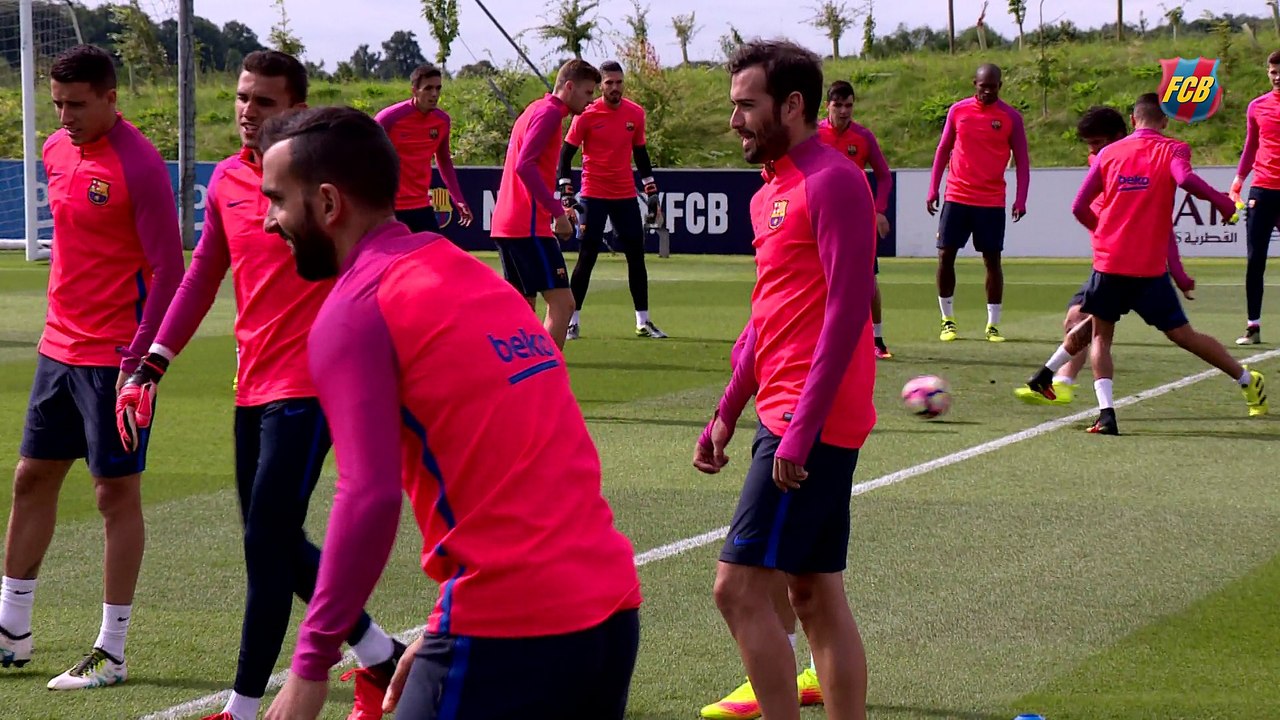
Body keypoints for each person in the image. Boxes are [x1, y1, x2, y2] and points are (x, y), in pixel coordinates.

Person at [247, 106, 642, 720]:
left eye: (276, 200)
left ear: (327, 204)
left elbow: (367, 496)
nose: (269, 222)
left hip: (511, 630)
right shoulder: (467, 274)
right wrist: (442, 627)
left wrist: (311, 663)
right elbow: (525, 467)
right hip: (608, 614)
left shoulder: (355, 311)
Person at [114, 52, 403, 720]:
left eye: (263, 102)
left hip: (315, 386)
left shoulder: (329, 184)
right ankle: (380, 655)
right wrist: (152, 362)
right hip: (252, 386)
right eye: (243, 98)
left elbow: (380, 265)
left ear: (296, 109)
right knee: (270, 540)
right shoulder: (224, 181)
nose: (246, 112)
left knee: (267, 543)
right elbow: (200, 275)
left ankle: (243, 710)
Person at [695, 40, 877, 720]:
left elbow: (846, 307)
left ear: (792, 106)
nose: (735, 121)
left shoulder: (833, 180)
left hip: (811, 417)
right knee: (813, 593)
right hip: (781, 410)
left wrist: (800, 431)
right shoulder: (772, 190)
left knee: (737, 590)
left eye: (748, 105)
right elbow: (766, 315)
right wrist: (725, 411)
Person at [0, 44, 184, 690]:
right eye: (58, 104)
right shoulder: (55, 151)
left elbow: (171, 271)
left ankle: (112, 649)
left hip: (116, 358)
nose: (66, 116)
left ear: (111, 98)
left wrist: (141, 362)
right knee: (31, 478)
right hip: (58, 349)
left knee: (114, 493)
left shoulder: (140, 165)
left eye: (78, 105)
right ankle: (11, 633)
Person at [1022, 94, 1267, 433]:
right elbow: (1185, 180)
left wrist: (1106, 232)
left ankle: (1099, 410)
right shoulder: (1175, 149)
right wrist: (1223, 203)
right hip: (1148, 269)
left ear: (1134, 120)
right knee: (1184, 336)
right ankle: (1245, 380)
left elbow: (1079, 207)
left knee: (1101, 334)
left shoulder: (1107, 154)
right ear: (1164, 121)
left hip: (1110, 263)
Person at [1015, 106, 1195, 406]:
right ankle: (1061, 382)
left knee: (1086, 321)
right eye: (1089, 144)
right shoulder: (1103, 161)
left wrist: (1177, 271)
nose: (1093, 150)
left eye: (1097, 143)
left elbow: (1161, 224)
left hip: (1126, 264)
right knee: (1082, 321)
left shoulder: (1130, 162)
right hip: (1110, 259)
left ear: (1121, 135)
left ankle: (1063, 384)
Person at [491, 59, 601, 349]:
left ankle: (517, 379)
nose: (590, 101)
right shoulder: (551, 113)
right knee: (563, 304)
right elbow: (525, 166)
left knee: (522, 310)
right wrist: (557, 213)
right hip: (528, 226)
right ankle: (546, 379)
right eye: (588, 93)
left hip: (508, 223)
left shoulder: (535, 109)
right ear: (569, 86)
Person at [557, 59, 667, 340]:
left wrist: (651, 192)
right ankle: (572, 321)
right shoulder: (586, 114)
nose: (614, 88)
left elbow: (641, 155)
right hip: (594, 193)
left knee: (636, 256)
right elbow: (565, 156)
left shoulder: (635, 114)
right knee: (587, 256)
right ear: (601, 85)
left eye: (619, 83)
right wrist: (567, 193)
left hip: (625, 194)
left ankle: (643, 321)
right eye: (609, 83)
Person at [927, 63, 1030, 343]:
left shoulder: (1010, 118)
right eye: (983, 86)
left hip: (991, 201)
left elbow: (1022, 160)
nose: (987, 91)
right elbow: (943, 149)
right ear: (975, 84)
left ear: (1000, 86)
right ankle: (947, 320)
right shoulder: (958, 111)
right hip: (957, 196)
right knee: (945, 255)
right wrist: (932, 188)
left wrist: (1021, 199)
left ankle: (993, 324)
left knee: (992, 261)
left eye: (992, 86)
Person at [817, 79, 893, 359]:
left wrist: (879, 209)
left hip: (857, 218)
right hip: (821, 218)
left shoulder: (863, 137)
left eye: (849, 105)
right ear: (828, 106)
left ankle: (878, 339)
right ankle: (821, 337)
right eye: (838, 105)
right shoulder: (813, 135)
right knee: (818, 278)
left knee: (867, 280)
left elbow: (884, 175)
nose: (844, 111)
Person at [375, 63, 473, 234]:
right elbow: (367, 158)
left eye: (438, 88)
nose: (434, 94)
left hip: (421, 205)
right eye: (428, 88)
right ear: (414, 90)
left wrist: (458, 198)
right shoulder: (389, 119)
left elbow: (443, 160)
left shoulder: (442, 121)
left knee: (434, 257)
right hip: (389, 208)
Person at [1229, 49, 1280, 346]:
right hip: (1261, 190)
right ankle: (1253, 326)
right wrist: (1238, 179)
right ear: (1267, 72)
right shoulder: (1257, 106)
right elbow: (1251, 146)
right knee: (1255, 260)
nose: (1277, 76)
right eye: (1273, 71)